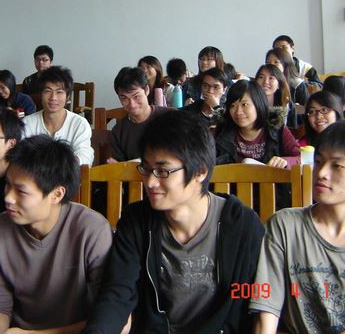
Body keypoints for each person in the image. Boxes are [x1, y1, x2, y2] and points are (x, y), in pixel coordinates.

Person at [81, 109, 265, 334]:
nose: (150, 182)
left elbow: (255, 301)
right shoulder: (136, 222)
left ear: (200, 171)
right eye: (146, 169)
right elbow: (117, 294)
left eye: (162, 171)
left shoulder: (242, 226)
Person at [250, 120, 345, 334]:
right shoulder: (284, 225)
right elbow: (267, 309)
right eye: (319, 161)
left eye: (337, 166)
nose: (322, 172)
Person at [0, 135, 112, 334]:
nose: (8, 198)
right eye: (8, 185)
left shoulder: (92, 231)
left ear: (56, 194)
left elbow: (108, 317)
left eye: (21, 191)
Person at [215, 80, 300, 168]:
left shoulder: (278, 129)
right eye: (232, 106)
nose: (238, 112)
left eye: (244, 104)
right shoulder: (220, 132)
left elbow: (300, 158)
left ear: (258, 103)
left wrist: (285, 161)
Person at [22, 66, 93, 165]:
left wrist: (65, 165)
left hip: (68, 173)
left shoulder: (79, 124)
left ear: (68, 97)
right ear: (40, 95)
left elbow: (85, 155)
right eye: (48, 91)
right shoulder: (26, 123)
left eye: (59, 92)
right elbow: (21, 156)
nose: (53, 98)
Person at [108, 67, 171, 163]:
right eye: (124, 98)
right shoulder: (118, 132)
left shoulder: (170, 117)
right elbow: (120, 167)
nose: (132, 104)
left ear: (147, 90)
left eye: (136, 96)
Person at [254, 64, 297, 128]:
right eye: (261, 77)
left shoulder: (287, 105)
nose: (266, 82)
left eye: (271, 78)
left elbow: (292, 131)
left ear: (279, 84)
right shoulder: (249, 104)